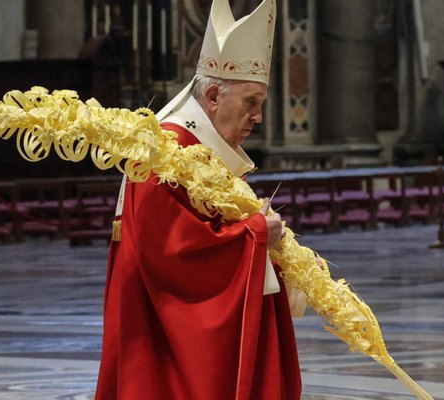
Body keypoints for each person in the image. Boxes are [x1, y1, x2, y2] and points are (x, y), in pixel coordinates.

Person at [95, 0, 306, 398]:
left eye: (260, 104)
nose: (258, 117)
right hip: (158, 336)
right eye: (250, 103)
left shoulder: (201, 148)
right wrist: (257, 233)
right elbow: (172, 255)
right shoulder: (166, 153)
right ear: (212, 96)